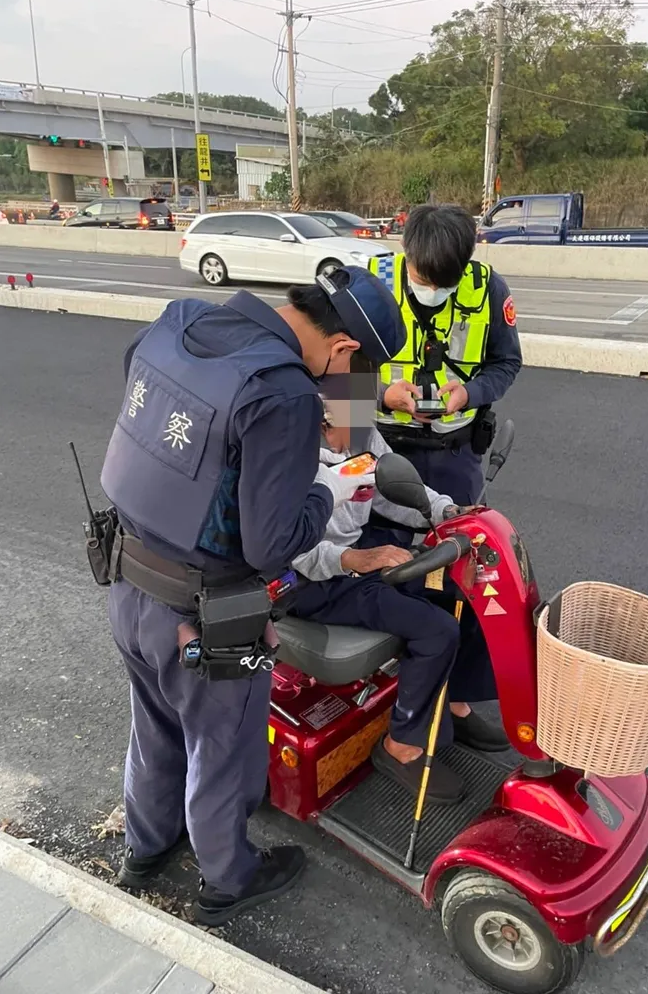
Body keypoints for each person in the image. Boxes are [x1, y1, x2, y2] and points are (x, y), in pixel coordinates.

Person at [99, 267, 406, 925]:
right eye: (347, 374)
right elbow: (273, 545)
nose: (340, 389)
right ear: (344, 349)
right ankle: (227, 880)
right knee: (224, 746)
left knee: (153, 728)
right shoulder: (285, 394)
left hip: (127, 581)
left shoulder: (183, 319)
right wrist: (327, 491)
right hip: (207, 620)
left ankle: (145, 850)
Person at [289, 411, 509, 807]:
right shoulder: (287, 450)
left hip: (359, 555)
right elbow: (286, 546)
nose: (358, 439)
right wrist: (355, 560)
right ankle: (402, 745)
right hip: (315, 580)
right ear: (318, 416)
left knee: (468, 591)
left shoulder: (357, 424)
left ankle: (453, 702)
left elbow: (397, 487)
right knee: (436, 630)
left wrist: (444, 512)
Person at [370, 203, 522, 506]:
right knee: (380, 549)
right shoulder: (371, 284)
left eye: (446, 283)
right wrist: (383, 396)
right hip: (383, 451)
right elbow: (331, 375)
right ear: (405, 247)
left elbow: (507, 362)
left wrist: (469, 393)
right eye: (425, 280)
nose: (435, 289)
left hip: (456, 456)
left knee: (463, 542)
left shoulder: (488, 288)